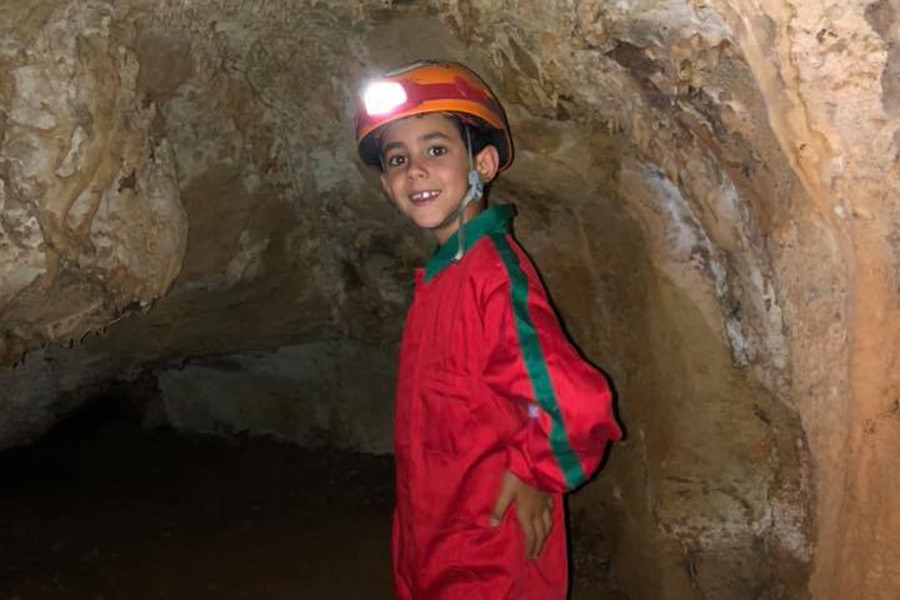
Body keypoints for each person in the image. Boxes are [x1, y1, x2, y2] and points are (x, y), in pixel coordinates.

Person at [353, 60, 622, 600]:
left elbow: (576, 404)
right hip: (433, 531)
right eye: (398, 159)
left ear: (484, 162)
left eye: (436, 150)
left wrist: (536, 474)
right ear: (386, 184)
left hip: (487, 551)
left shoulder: (493, 278)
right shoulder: (443, 278)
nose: (415, 171)